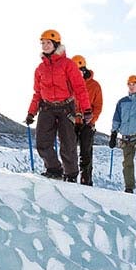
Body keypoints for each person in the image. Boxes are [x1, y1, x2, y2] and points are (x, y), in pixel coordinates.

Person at [26, 31, 92, 182]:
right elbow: (37, 92)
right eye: (43, 43)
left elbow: (80, 88)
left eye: (48, 42)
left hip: (65, 108)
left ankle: (71, 175)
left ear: (56, 44)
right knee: (42, 143)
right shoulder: (40, 69)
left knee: (68, 144)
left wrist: (86, 109)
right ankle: (54, 169)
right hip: (47, 108)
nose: (45, 46)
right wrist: (31, 112)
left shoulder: (68, 64)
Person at [71, 55, 103, 185]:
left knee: (86, 153)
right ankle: (70, 177)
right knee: (69, 151)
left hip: (87, 124)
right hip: (71, 122)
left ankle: (86, 180)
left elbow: (98, 106)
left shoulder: (94, 86)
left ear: (84, 70)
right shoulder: (68, 84)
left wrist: (91, 120)